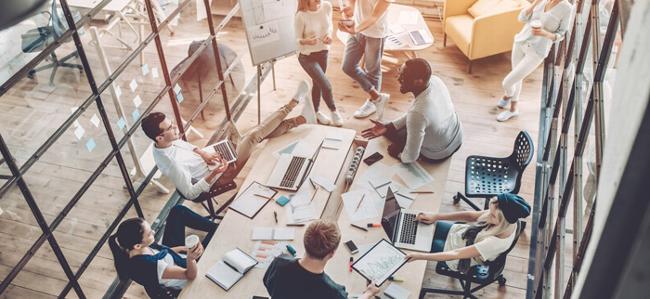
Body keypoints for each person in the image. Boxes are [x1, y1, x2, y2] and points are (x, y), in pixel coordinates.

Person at [141, 82, 311, 200]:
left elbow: (187, 147)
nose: (176, 128)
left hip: (212, 161)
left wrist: (204, 154)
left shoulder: (167, 141)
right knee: (253, 136)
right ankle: (293, 103)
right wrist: (216, 172)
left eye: (172, 124)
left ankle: (301, 119)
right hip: (219, 175)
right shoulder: (171, 163)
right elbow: (191, 193)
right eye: (170, 128)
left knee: (257, 135)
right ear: (160, 137)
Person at [361, 58, 463, 163]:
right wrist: (389, 126)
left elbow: (410, 157)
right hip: (456, 134)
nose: (398, 79)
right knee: (393, 130)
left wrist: (397, 154)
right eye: (399, 72)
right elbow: (418, 116)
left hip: (438, 153)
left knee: (394, 144)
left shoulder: (418, 112)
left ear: (418, 82)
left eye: (403, 76)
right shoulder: (435, 80)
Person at [108, 205, 216, 297]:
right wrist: (191, 258)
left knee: (177, 211)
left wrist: (180, 249)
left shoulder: (137, 249)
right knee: (216, 237)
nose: (154, 232)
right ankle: (217, 230)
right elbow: (190, 275)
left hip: (174, 258)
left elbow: (161, 252)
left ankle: (216, 229)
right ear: (137, 245)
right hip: (189, 272)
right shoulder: (153, 266)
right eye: (149, 234)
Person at [405, 193, 530, 271]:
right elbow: (471, 216)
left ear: (502, 222)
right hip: (463, 235)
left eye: (492, 215)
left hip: (460, 256)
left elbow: (455, 254)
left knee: (415, 244)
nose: (488, 215)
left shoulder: (494, 242)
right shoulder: (509, 218)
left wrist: (419, 256)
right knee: (419, 227)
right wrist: (436, 216)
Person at [497, 0, 574, 122]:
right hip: (521, 41)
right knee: (517, 77)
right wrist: (534, 4)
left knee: (507, 82)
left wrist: (544, 33)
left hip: (538, 51)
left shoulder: (567, 8)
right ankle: (513, 108)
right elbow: (522, 18)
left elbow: (561, 35)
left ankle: (508, 94)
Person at [263, 220, 380, 299]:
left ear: (305, 242)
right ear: (332, 253)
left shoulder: (279, 263)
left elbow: (267, 282)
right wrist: (369, 293)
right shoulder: (334, 293)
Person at [339, 0, 391, 120]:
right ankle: (378, 97)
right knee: (348, 66)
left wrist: (356, 29)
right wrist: (350, 9)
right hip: (357, 29)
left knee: (372, 71)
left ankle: (373, 102)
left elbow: (374, 17)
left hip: (375, 34)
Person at [295, 0, 343, 127]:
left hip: (323, 52)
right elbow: (296, 40)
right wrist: (305, 41)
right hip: (307, 56)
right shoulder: (301, 15)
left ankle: (315, 112)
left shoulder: (327, 6)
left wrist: (330, 36)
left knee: (318, 84)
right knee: (326, 85)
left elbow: (330, 25)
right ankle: (334, 111)